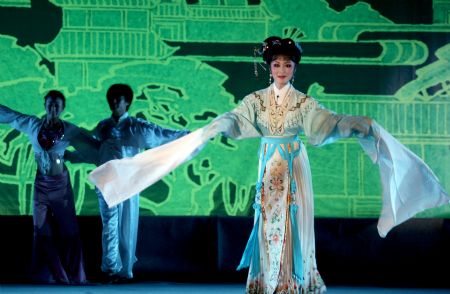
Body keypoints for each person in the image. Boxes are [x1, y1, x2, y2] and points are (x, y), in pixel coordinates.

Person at [88, 37, 449, 293]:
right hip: (269, 164)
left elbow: (327, 123)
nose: (281, 69)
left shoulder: (303, 103)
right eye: (276, 64)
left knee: (293, 219)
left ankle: (295, 280)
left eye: (287, 65)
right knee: (268, 219)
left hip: (294, 165)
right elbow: (236, 119)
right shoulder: (256, 100)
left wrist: (357, 124)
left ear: (294, 68)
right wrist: (219, 125)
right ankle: (266, 281)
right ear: (269, 67)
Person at [89, 83, 190, 283]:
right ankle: (110, 268)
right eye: (113, 99)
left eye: (119, 99)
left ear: (127, 103)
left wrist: (188, 136)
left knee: (126, 225)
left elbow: (161, 133)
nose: (115, 102)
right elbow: (92, 148)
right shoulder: (103, 126)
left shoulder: (136, 126)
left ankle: (123, 270)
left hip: (128, 183)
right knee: (110, 225)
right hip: (108, 182)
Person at [0, 90, 95, 284]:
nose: (53, 108)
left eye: (57, 105)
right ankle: (47, 275)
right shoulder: (34, 125)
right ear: (45, 105)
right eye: (50, 104)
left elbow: (92, 150)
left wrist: (72, 157)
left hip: (60, 186)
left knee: (68, 229)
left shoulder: (69, 130)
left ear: (62, 108)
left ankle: (74, 275)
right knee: (41, 228)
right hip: (41, 184)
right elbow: (11, 116)